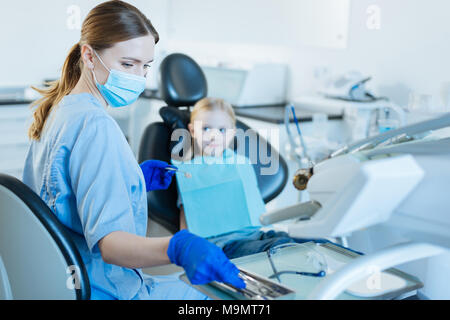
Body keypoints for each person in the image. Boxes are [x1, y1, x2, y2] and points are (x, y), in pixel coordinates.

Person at [22, 1, 245, 300]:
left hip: (59, 281)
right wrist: (177, 247)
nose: (138, 77)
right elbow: (112, 246)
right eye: (127, 64)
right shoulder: (95, 124)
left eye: (145, 66)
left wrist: (130, 179)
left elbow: (61, 193)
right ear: (89, 56)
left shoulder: (59, 110)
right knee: (226, 300)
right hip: (102, 288)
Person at [172, 98, 328, 260]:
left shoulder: (240, 163)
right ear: (192, 131)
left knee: (314, 242)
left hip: (256, 234)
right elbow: (187, 215)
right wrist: (187, 251)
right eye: (206, 128)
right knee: (281, 247)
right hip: (224, 245)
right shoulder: (189, 173)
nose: (214, 136)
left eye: (222, 130)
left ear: (232, 132)